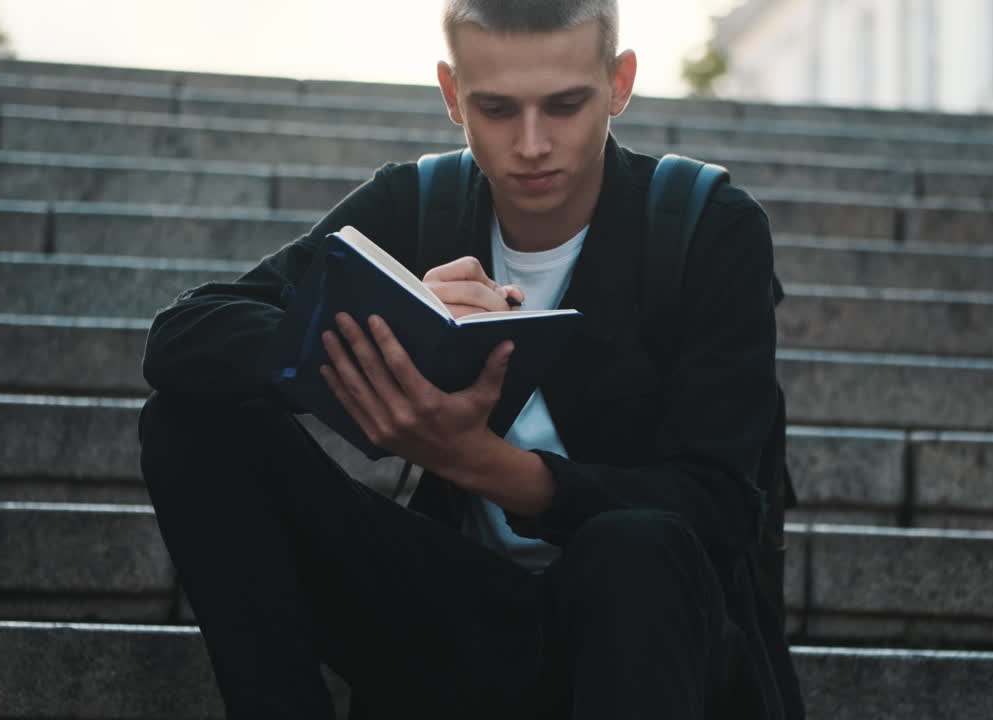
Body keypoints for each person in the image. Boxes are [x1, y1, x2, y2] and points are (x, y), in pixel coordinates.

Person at [138, 0, 804, 717]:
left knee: (633, 547)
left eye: (565, 105)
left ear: (619, 84)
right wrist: (391, 324)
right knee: (188, 420)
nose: (531, 143)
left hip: (655, 637)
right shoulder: (420, 203)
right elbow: (186, 334)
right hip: (471, 623)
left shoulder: (708, 225)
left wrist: (481, 463)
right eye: (495, 108)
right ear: (453, 96)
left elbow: (718, 508)